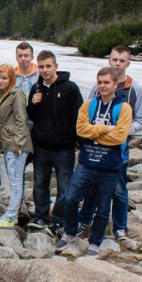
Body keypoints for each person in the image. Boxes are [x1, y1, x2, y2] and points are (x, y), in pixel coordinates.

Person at [55, 67, 132, 258]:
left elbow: (120, 137)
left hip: (109, 166)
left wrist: (94, 133)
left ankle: (95, 242)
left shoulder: (124, 108)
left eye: (107, 82)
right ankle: (70, 232)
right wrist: (106, 129)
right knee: (71, 198)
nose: (102, 86)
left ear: (115, 84)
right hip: (87, 162)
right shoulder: (88, 105)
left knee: (103, 208)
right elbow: (80, 130)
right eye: (99, 82)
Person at [78, 45, 142, 241]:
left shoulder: (134, 89)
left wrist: (123, 131)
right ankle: (85, 220)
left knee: (119, 188)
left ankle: (119, 227)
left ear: (128, 63)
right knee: (91, 185)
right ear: (109, 60)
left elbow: (141, 120)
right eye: (114, 59)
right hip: (94, 146)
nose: (117, 64)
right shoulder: (99, 86)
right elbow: (88, 115)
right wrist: (91, 137)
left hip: (119, 149)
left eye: (121, 61)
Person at [26, 50, 83, 234]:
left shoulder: (70, 88)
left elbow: (78, 117)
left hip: (64, 148)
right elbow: (31, 116)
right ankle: (41, 216)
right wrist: (33, 104)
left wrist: (81, 144)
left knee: (64, 187)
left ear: (56, 66)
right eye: (41, 67)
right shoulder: (36, 88)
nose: (45, 70)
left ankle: (58, 219)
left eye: (48, 66)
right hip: (41, 147)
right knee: (39, 185)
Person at [0, 64, 33, 228]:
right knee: (13, 181)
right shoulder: (3, 94)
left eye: (5, 78)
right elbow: (3, 120)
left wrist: (19, 144)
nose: (1, 81)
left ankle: (11, 216)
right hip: (8, 141)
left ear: (11, 79)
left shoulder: (16, 94)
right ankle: (13, 211)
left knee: (15, 182)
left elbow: (21, 120)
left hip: (16, 144)